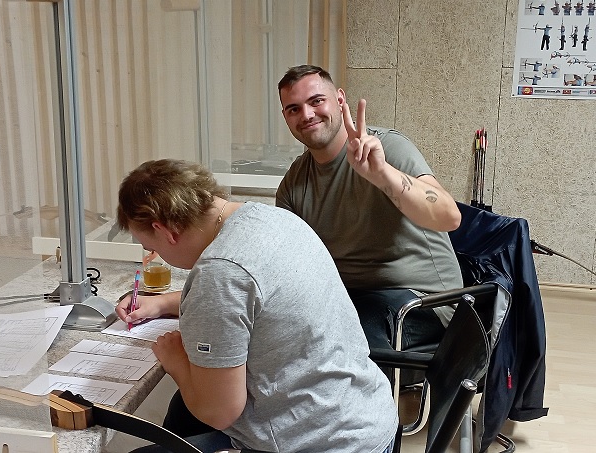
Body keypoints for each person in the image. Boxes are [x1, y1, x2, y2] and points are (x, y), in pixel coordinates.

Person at [115, 159, 398, 453]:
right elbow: (259, 301)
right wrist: (162, 302)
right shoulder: (273, 219)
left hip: (318, 442)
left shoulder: (220, 272)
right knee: (180, 418)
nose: (155, 254)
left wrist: (176, 361)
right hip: (366, 417)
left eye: (152, 247)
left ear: (165, 231)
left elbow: (219, 412)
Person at [275, 65, 464, 353]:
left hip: (422, 301)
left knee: (347, 338)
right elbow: (290, 265)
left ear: (340, 100)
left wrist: (383, 174)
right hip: (346, 299)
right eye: (294, 109)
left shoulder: (387, 148)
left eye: (316, 101)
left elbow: (449, 217)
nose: (307, 114)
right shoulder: (294, 183)